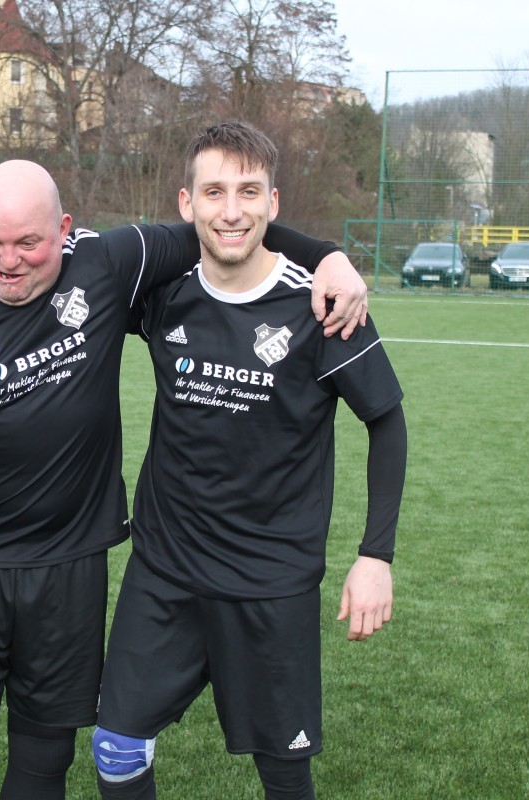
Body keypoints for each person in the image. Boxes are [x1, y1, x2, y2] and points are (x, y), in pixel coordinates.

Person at [0, 159, 368, 800]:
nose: (9, 261)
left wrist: (329, 257)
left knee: (43, 763)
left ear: (63, 230)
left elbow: (223, 225)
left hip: (70, 570)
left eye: (29, 243)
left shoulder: (111, 261)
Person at [91, 122, 407, 800]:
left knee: (283, 769)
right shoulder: (161, 293)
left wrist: (375, 555)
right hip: (165, 572)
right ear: (186, 203)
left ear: (273, 201)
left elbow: (386, 419)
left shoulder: (320, 304)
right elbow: (45, 265)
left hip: (271, 583)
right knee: (116, 749)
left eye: (248, 191)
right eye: (213, 191)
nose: (230, 210)